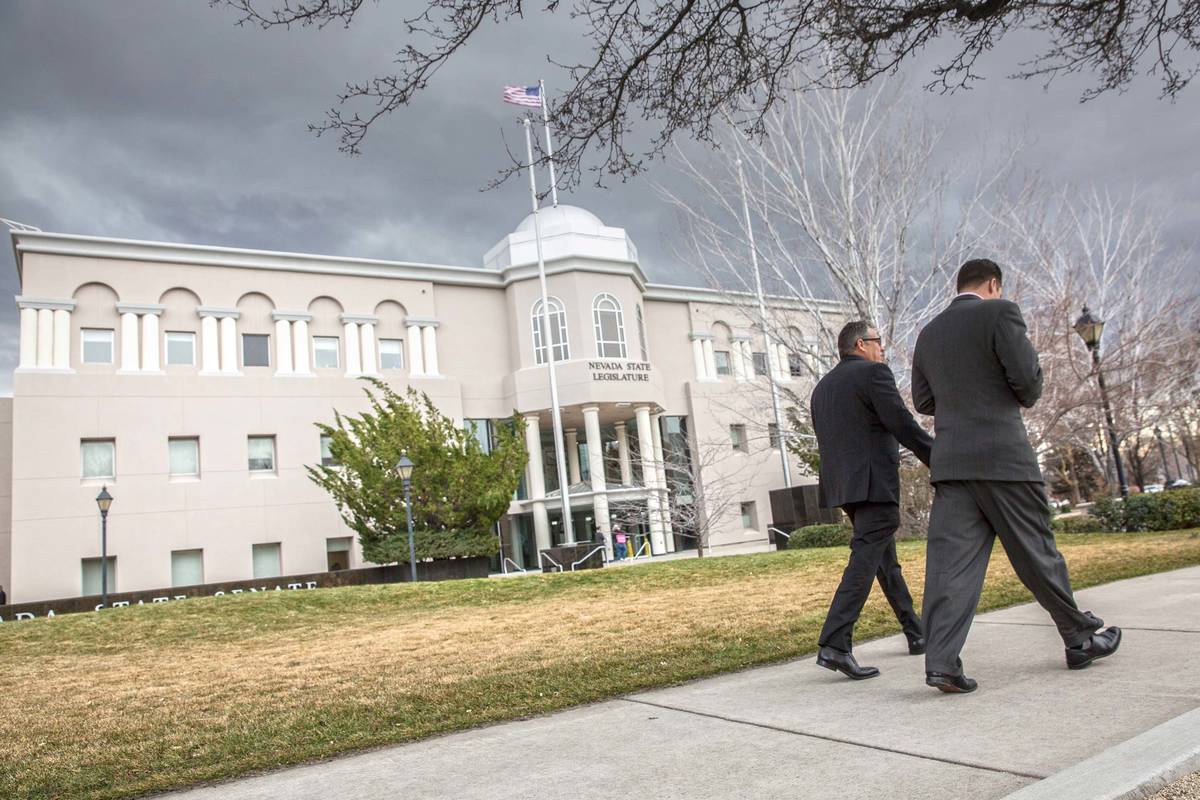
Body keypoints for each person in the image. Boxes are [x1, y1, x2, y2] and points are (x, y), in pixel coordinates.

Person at [911, 258, 1120, 694]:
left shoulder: (929, 333)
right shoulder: (1000, 312)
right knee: (1035, 553)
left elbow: (924, 401)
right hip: (1004, 460)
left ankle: (942, 663)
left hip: (951, 466)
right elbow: (1028, 384)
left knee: (950, 568)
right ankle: (1079, 638)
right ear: (993, 284)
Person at [811, 320, 933, 680]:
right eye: (878, 342)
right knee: (866, 557)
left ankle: (915, 631)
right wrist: (938, 456)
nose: (882, 349)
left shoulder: (822, 387)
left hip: (845, 486)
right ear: (862, 344)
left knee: (882, 557)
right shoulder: (873, 374)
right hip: (873, 481)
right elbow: (901, 422)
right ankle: (835, 642)